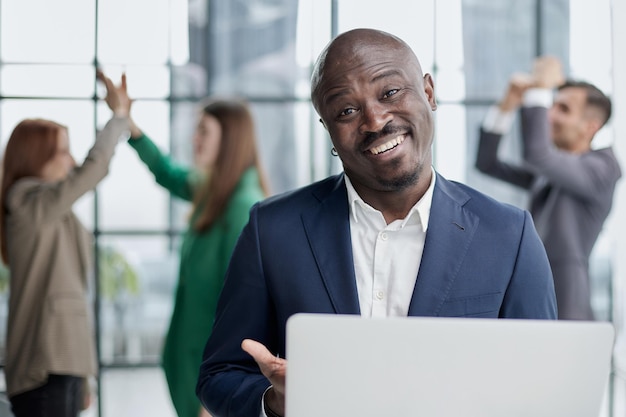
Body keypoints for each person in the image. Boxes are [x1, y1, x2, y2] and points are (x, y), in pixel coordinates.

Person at [196, 28, 557, 417]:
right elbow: (220, 374)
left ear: (429, 94)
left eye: (390, 93)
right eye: (346, 111)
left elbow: (544, 386)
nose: (374, 120)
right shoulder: (273, 229)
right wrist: (274, 402)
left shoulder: (508, 234)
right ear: (328, 131)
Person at [121, 91, 270, 417]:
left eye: (204, 131)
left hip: (211, 376)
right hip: (192, 362)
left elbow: (247, 308)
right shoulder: (212, 189)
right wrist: (129, 124)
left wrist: (222, 390)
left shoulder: (242, 206)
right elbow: (168, 173)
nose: (195, 138)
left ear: (229, 140)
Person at [0, 71, 131, 417]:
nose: (71, 162)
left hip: (64, 363)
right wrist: (118, 119)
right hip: (44, 369)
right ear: (34, 157)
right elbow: (91, 170)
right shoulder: (25, 201)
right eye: (62, 152)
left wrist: (83, 375)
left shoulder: (56, 212)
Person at [475, 56, 622, 320]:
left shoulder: (603, 168)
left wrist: (540, 88)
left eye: (563, 109)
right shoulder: (549, 174)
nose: (550, 115)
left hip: (566, 303)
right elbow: (487, 163)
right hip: (528, 296)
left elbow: (538, 153)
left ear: (590, 127)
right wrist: (507, 105)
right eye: (551, 105)